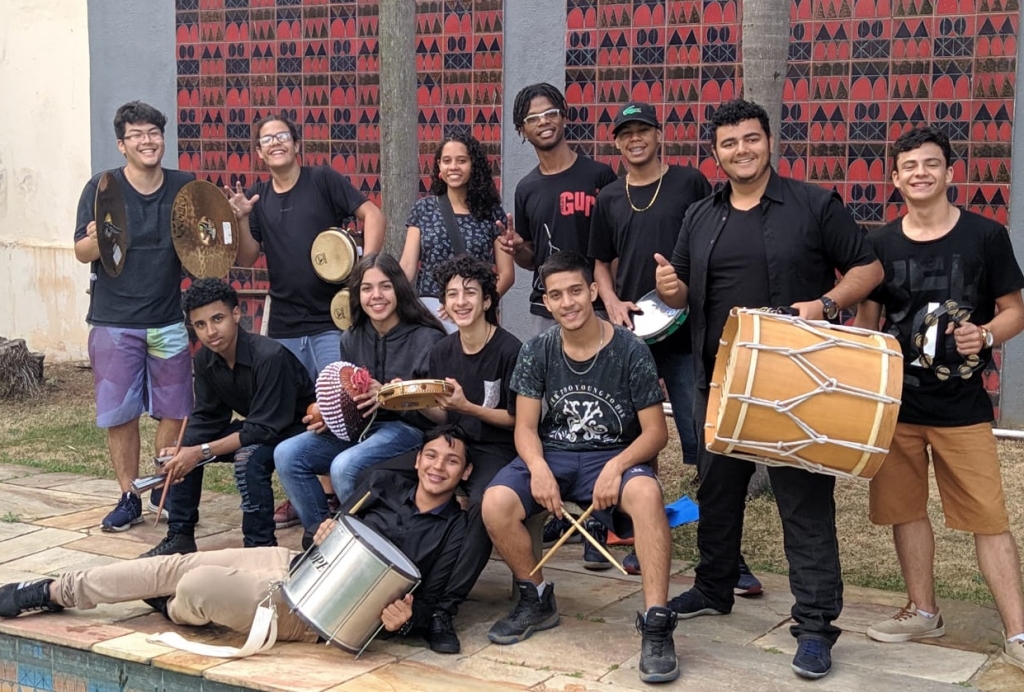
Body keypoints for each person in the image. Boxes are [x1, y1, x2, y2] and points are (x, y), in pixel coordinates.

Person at [655, 98, 883, 680]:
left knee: (803, 505)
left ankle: (814, 626)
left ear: (768, 141)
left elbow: (868, 268)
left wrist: (827, 305)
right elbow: (680, 296)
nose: (741, 151)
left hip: (793, 384)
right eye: (729, 143)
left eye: (750, 139)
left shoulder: (812, 204)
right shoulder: (702, 215)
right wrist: (670, 287)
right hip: (722, 382)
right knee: (718, 492)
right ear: (716, 153)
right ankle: (714, 587)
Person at [0, 426, 471, 651]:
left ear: (465, 472)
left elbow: (434, 606)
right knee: (177, 563)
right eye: (431, 455)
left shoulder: (454, 530)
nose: (437, 466)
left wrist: (402, 621)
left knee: (198, 585)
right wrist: (321, 530)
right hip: (295, 565)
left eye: (451, 462)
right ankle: (50, 590)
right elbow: (320, 537)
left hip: (318, 613)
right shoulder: (384, 484)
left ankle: (172, 605)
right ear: (417, 459)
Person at [853, 125, 1024, 672]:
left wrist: (988, 334)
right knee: (905, 511)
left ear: (950, 172)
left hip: (963, 409)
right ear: (895, 178)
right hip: (898, 409)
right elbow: (869, 325)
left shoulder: (985, 235)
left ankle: (1018, 633)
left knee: (988, 519)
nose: (920, 173)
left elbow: (1014, 308)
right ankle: (923, 610)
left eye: (931, 163)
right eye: (909, 166)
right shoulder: (878, 245)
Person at [482, 251, 680, 684]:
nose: (568, 302)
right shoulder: (537, 351)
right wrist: (536, 467)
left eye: (575, 290)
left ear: (593, 291)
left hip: (613, 455)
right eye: (556, 295)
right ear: (546, 304)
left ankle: (657, 621)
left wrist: (617, 466)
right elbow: (526, 428)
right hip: (552, 452)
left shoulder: (631, 350)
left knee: (646, 494)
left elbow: (654, 433)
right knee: (495, 502)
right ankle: (536, 598)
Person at [587, 101, 718, 578]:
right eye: (625, 133)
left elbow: (710, 245)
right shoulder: (609, 198)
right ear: (617, 143)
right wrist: (612, 302)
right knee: (640, 444)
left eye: (642, 130)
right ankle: (645, 542)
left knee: (701, 443)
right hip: (632, 337)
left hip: (687, 335)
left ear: (659, 135)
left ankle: (720, 556)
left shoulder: (689, 183)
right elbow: (600, 262)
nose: (634, 139)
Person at [372, 255, 521, 653]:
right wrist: (411, 399)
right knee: (377, 475)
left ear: (487, 300)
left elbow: (517, 419)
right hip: (452, 441)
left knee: (481, 507)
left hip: (494, 448)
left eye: (470, 293)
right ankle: (376, 576)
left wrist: (468, 406)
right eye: (452, 294)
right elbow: (442, 412)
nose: (460, 301)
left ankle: (441, 610)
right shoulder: (442, 349)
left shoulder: (509, 349)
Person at [74, 101, 195, 533]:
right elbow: (81, 251)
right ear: (122, 144)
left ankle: (162, 488)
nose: (147, 141)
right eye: (137, 135)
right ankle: (129, 495)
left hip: (167, 318)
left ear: (163, 138)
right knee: (120, 414)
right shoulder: (102, 187)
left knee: (175, 411)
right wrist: (96, 240)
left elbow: (206, 247)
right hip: (114, 321)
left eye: (154, 133)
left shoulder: (186, 186)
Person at [275, 253, 446, 537]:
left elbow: (439, 412)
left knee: (345, 467)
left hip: (410, 431)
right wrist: (333, 416)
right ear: (357, 294)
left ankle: (365, 541)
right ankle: (320, 535)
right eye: (367, 288)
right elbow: (352, 401)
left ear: (399, 290)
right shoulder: (351, 338)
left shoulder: (426, 338)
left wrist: (390, 395)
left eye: (385, 286)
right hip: (363, 429)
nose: (376, 296)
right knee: (287, 454)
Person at [140, 279, 315, 557]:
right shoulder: (205, 360)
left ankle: (259, 547)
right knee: (187, 443)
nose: (210, 332)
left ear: (236, 314)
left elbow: (263, 430)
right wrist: (182, 450)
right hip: (261, 425)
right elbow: (208, 418)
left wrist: (200, 452)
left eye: (217, 319)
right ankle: (180, 535)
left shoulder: (269, 356)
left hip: (297, 430)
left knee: (249, 458)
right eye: (200, 325)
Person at [228, 114, 386, 377]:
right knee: (291, 406)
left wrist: (365, 273)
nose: (275, 143)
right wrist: (242, 219)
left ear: (296, 145)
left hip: (332, 320)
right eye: (267, 139)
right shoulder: (257, 197)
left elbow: (374, 216)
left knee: (337, 400)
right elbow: (247, 258)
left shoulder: (322, 179)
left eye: (283, 136)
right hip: (284, 324)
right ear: (259, 152)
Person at [497, 83, 617, 334]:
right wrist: (518, 249)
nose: (543, 122)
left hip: (599, 306)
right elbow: (532, 259)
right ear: (522, 130)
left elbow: (617, 246)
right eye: (533, 118)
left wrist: (612, 297)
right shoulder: (526, 188)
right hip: (548, 310)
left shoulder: (600, 176)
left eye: (550, 113)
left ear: (564, 116)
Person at [400, 133, 514, 330]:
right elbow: (408, 266)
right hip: (430, 315)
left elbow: (506, 274)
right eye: (447, 161)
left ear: (473, 165)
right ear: (439, 167)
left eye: (462, 161)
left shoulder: (492, 213)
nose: (453, 167)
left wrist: (477, 304)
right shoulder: (423, 209)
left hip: (474, 315)